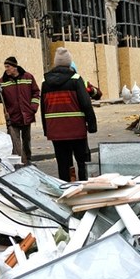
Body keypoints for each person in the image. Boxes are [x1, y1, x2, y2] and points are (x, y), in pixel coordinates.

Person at [41, 47, 97, 181]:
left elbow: (43, 109)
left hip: (56, 132)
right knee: (83, 161)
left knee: (63, 163)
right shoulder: (76, 79)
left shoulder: (45, 83)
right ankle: (84, 187)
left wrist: (46, 130)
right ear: (69, 63)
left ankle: (67, 188)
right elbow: (86, 104)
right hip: (76, 129)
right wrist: (92, 125)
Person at [0, 56, 41, 166]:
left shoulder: (28, 77)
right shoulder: (2, 82)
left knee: (26, 141)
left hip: (26, 115)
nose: (6, 69)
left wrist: (33, 108)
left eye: (8, 67)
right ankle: (18, 162)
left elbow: (36, 92)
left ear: (15, 67)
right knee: (14, 142)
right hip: (12, 117)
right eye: (5, 67)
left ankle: (28, 160)